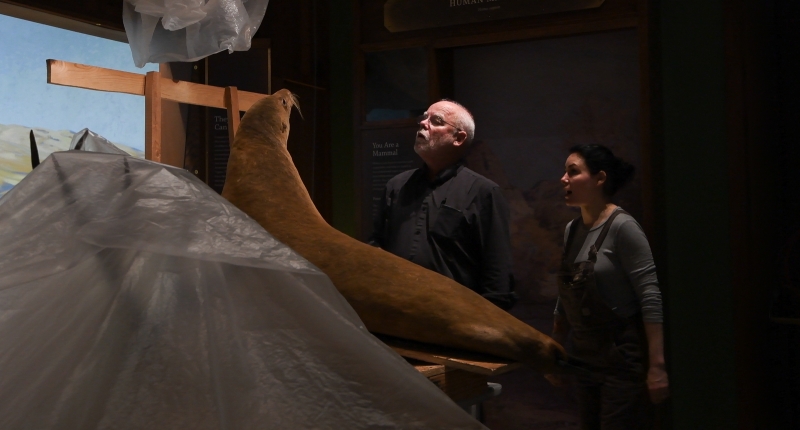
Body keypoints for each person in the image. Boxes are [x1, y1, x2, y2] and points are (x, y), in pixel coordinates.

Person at [548, 144, 669, 429]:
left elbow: (650, 296)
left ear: (599, 178)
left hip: (620, 358)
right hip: (583, 356)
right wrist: (554, 348)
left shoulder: (622, 226)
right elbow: (565, 296)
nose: (563, 179)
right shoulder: (572, 230)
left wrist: (657, 367)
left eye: (572, 172)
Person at [369, 100, 516, 310]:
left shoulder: (483, 192)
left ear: (459, 138)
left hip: (454, 315)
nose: (423, 123)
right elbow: (377, 244)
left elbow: (497, 268)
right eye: (423, 117)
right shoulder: (397, 186)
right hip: (397, 309)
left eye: (435, 121)